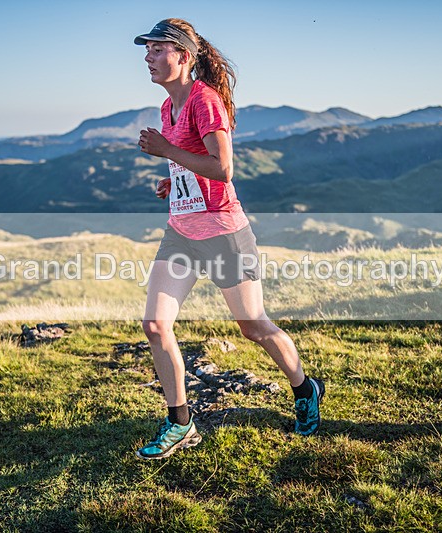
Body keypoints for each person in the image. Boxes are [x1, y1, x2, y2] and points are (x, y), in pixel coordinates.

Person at [133, 18, 324, 460]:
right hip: (181, 231)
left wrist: (166, 152)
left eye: (158, 49)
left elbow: (223, 169)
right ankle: (181, 424)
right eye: (147, 50)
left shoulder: (206, 101)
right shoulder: (167, 109)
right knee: (155, 326)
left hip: (223, 232)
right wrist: (174, 178)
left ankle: (304, 388)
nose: (148, 56)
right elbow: (196, 166)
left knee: (253, 325)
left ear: (184, 56)